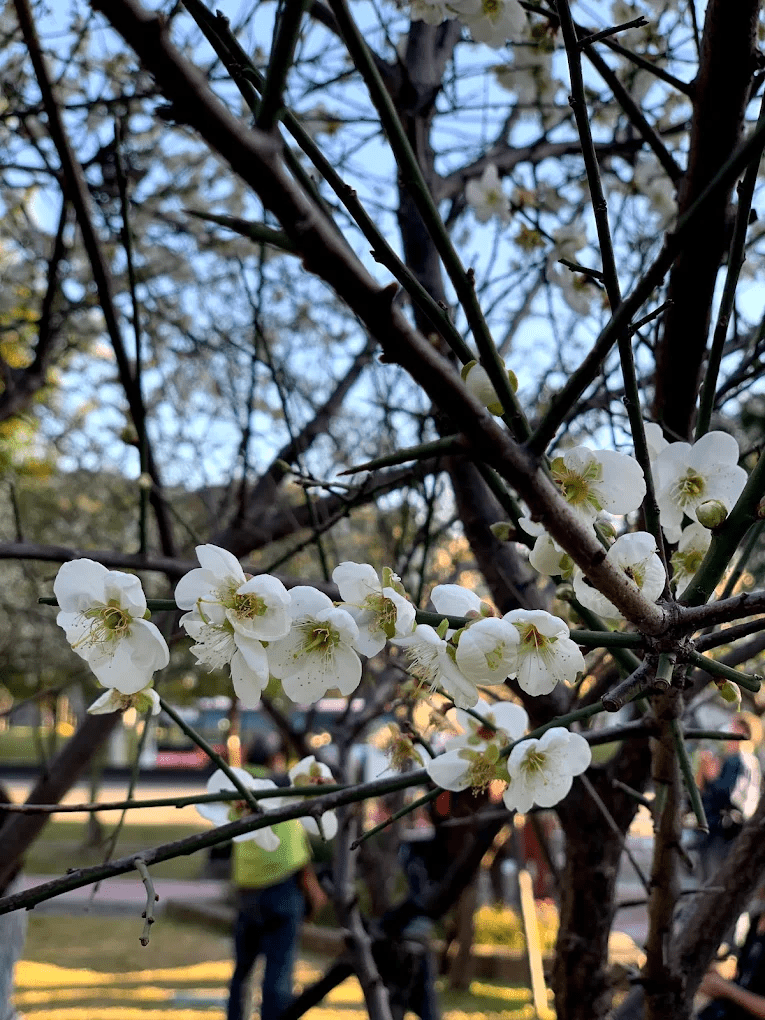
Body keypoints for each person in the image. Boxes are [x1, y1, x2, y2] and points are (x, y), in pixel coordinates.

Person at [228, 736, 327, 1020]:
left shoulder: (237, 789)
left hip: (247, 889)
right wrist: (315, 892)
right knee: (278, 977)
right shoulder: (280, 787)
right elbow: (295, 849)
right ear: (274, 760)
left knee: (242, 974)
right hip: (282, 889)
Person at [695, 714, 762, 883]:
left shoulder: (739, 760)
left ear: (743, 732)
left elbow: (729, 796)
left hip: (722, 835)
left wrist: (711, 777)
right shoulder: (743, 760)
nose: (728, 731)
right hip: (724, 833)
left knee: (714, 887)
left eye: (733, 727)